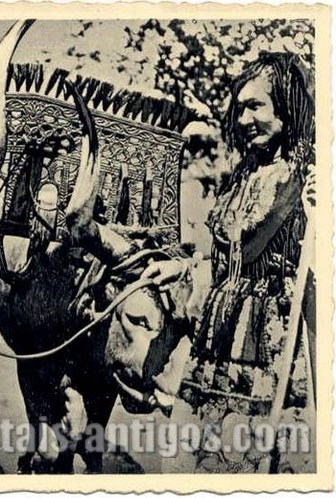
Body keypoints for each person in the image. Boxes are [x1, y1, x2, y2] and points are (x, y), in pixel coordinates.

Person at [145, 52, 316, 473]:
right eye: (239, 108)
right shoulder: (239, 177)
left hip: (273, 338)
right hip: (218, 336)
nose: (243, 119)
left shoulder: (306, 178)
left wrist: (320, 215)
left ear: (287, 107)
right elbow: (221, 261)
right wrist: (181, 268)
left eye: (256, 105)